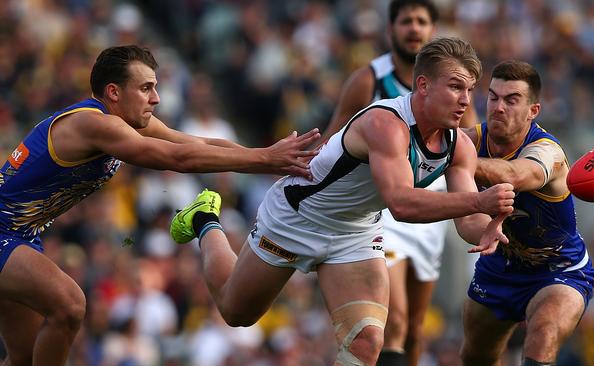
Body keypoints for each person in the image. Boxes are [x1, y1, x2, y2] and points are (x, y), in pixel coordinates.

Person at [170, 37, 515, 366]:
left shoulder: (460, 148)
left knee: (367, 340)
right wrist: (480, 201)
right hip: (298, 217)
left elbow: (468, 221)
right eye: (456, 87)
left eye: (470, 89)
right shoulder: (385, 124)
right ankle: (205, 219)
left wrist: (493, 228)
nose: (466, 100)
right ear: (423, 85)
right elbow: (403, 205)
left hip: (356, 231)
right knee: (236, 313)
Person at [0, 45, 320, 366]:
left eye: (155, 87)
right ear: (113, 92)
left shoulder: (124, 121)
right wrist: (264, 158)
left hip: (21, 236)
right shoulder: (95, 124)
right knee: (69, 305)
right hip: (4, 233)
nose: (156, 98)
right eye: (145, 88)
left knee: (24, 357)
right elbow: (177, 158)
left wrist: (267, 156)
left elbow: (198, 143)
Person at [318, 1, 477, 364]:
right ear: (391, 30)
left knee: (417, 327)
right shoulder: (368, 80)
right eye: (407, 21)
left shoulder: (454, 90)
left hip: (434, 208)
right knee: (395, 320)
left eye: (422, 22)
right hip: (383, 204)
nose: (414, 29)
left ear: (432, 31)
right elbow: (333, 138)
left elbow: (469, 145)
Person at [460, 60, 594, 366]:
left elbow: (514, 174)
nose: (498, 107)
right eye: (493, 97)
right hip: (499, 267)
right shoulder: (469, 141)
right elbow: (469, 224)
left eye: (512, 100)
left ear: (533, 110)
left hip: (559, 269)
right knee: (475, 356)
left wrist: (451, 157)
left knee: (543, 335)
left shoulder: (549, 152)